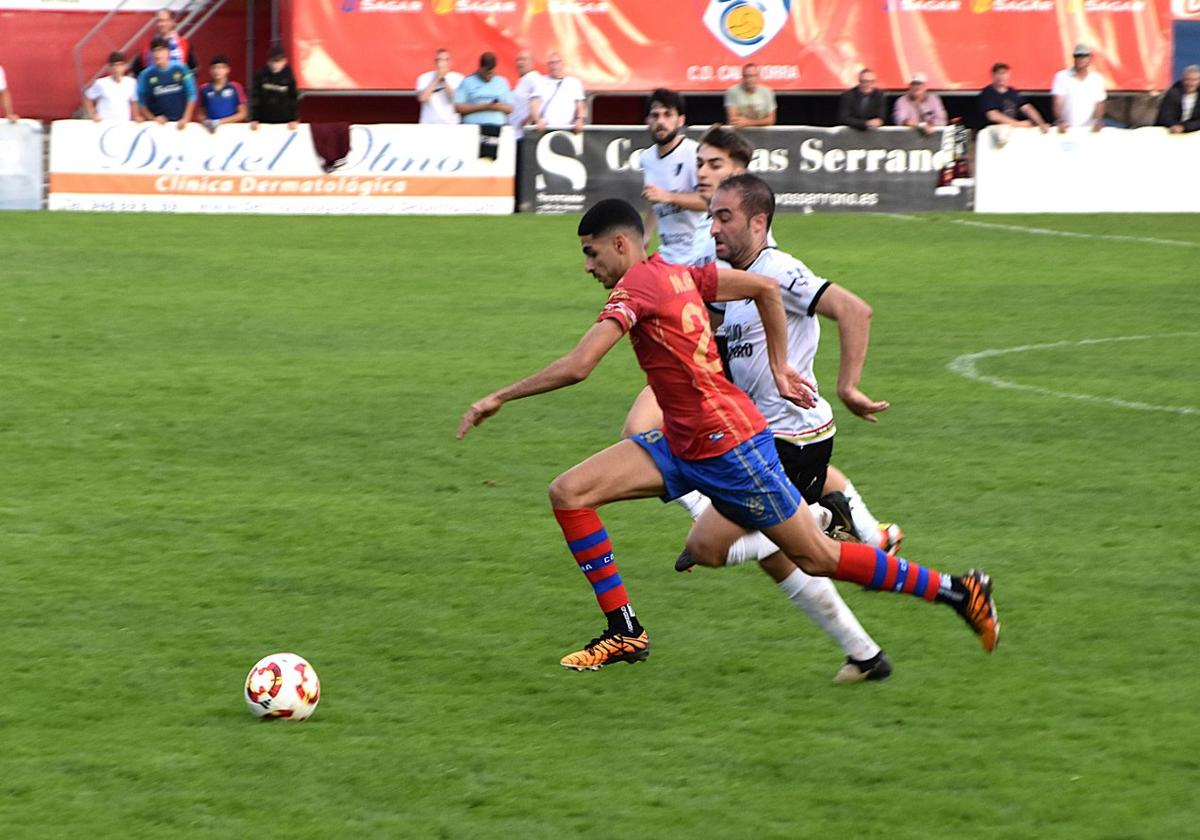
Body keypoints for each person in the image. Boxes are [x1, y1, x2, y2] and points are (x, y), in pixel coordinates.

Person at [458, 198, 999, 671]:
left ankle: (958, 590)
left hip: (731, 450)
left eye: (591, 253)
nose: (586, 266)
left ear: (620, 244)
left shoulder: (637, 289)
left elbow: (580, 365)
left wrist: (499, 396)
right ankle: (625, 630)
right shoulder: (679, 273)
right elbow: (763, 289)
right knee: (569, 493)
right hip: (682, 442)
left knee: (816, 559)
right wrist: (780, 365)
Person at [640, 88, 709, 266]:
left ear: (680, 120)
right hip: (669, 254)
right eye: (655, 115)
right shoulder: (647, 158)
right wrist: (645, 236)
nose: (660, 121)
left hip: (700, 253)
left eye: (667, 114)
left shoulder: (695, 153)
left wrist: (668, 197)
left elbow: (708, 201)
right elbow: (653, 199)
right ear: (647, 120)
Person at [136, 38, 197, 128]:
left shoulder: (181, 68)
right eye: (154, 51)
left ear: (168, 52)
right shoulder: (145, 75)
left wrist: (186, 118)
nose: (157, 54)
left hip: (180, 124)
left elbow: (192, 94)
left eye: (160, 50)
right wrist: (153, 119)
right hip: (159, 126)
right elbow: (141, 102)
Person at [978, 62, 1049, 132]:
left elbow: (1027, 108)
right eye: (998, 73)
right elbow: (993, 116)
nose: (1001, 76)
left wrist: (1041, 123)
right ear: (993, 75)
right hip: (994, 132)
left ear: (1008, 75)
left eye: (1004, 73)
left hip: (1012, 130)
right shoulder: (987, 93)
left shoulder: (1013, 92)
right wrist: (1018, 124)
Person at [1052, 43, 1106, 132]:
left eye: (1084, 56)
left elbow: (1099, 103)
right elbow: (1057, 102)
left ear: (1090, 58)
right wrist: (1060, 121)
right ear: (1074, 58)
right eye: (1078, 56)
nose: (1081, 59)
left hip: (1089, 129)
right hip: (1067, 129)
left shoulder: (1097, 79)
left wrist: (1098, 120)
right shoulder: (1062, 76)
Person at [530, 52, 586, 133]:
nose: (554, 66)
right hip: (545, 129)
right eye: (551, 63)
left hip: (568, 129)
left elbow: (580, 105)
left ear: (562, 64)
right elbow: (534, 104)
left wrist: (580, 119)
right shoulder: (540, 81)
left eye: (557, 62)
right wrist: (537, 120)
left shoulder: (574, 83)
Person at [131, 9, 196, 76]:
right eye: (160, 21)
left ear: (172, 22)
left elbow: (194, 68)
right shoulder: (148, 46)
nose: (163, 24)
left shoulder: (184, 44)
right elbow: (136, 68)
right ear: (156, 23)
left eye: (166, 20)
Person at [453, 52, 512, 126]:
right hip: (472, 128)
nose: (489, 76)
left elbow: (510, 108)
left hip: (497, 127)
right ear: (480, 68)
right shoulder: (467, 81)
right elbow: (457, 107)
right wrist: (483, 106)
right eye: (486, 73)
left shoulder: (502, 82)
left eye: (491, 73)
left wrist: (497, 107)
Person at [250, 47, 298, 130]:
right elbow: (255, 97)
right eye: (272, 62)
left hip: (284, 121)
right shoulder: (261, 74)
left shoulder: (289, 76)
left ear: (284, 61)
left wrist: (294, 119)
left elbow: (293, 98)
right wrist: (254, 118)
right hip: (263, 121)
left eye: (278, 62)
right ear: (268, 62)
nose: (275, 65)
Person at [84, 52, 139, 122]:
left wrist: (136, 116)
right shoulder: (101, 83)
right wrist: (93, 114)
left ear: (125, 66)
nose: (116, 68)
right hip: (104, 125)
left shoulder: (131, 82)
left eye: (119, 65)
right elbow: (87, 98)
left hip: (123, 124)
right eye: (113, 66)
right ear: (109, 67)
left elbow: (134, 102)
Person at [197, 55, 246, 132]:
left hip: (232, 130)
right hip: (211, 131)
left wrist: (219, 122)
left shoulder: (235, 87)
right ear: (210, 70)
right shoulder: (204, 88)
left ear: (228, 69)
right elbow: (201, 113)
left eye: (221, 67)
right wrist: (205, 122)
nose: (217, 71)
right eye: (214, 68)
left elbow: (243, 114)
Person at [416, 48, 464, 125]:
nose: (442, 63)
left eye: (446, 60)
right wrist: (436, 78)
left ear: (450, 62)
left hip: (451, 123)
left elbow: (456, 99)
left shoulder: (458, 78)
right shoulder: (424, 77)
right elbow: (422, 98)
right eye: (439, 60)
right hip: (429, 123)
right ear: (435, 62)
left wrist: (444, 80)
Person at [724, 63, 777, 128]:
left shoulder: (767, 92)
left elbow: (771, 120)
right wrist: (760, 122)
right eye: (747, 76)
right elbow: (733, 120)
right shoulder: (733, 91)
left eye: (753, 76)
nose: (750, 79)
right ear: (743, 77)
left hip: (762, 133)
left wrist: (748, 122)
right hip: (739, 132)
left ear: (757, 77)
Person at [508, 49, 542, 139]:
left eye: (523, 59)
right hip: (514, 133)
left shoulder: (534, 78)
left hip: (523, 134)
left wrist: (530, 120)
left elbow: (538, 100)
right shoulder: (523, 80)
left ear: (532, 62)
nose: (520, 63)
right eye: (518, 60)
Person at [1156, 64, 1200, 134]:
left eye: (1194, 80)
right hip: (1171, 130)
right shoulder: (1173, 92)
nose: (1190, 83)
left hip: (1194, 131)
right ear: (1182, 79)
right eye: (1187, 79)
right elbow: (1164, 115)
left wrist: (1185, 127)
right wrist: (1173, 125)